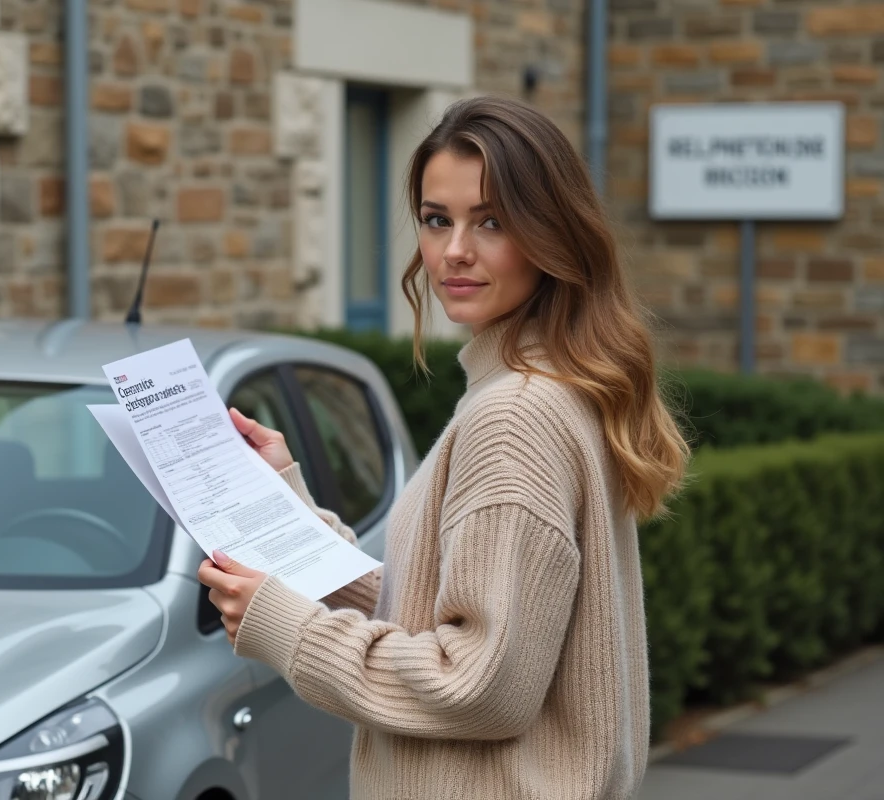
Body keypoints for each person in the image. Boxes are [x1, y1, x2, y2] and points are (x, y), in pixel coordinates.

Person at [199, 95, 690, 799]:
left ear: (552, 232)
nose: (454, 250)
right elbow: (434, 611)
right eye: (437, 220)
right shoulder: (540, 387)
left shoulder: (516, 416)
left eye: (491, 221)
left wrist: (289, 627)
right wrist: (290, 510)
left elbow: (479, 685)